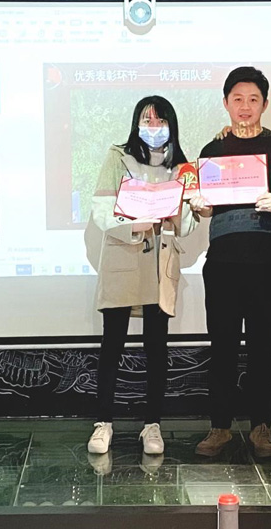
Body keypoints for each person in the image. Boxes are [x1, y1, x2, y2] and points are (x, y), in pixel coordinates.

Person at [190, 67, 271, 458]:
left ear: (264, 104)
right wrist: (199, 206)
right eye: (238, 99)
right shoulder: (211, 150)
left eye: (253, 99)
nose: (245, 106)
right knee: (222, 347)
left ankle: (261, 429)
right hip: (222, 264)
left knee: (263, 347)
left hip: (268, 263)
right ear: (226, 103)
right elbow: (205, 209)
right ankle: (219, 427)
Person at [84, 95, 196, 457]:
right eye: (147, 121)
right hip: (123, 257)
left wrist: (177, 215)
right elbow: (101, 208)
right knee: (112, 344)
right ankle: (103, 422)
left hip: (159, 265)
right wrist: (134, 223)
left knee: (156, 348)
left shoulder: (183, 167)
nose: (153, 127)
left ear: (171, 125)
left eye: (160, 121)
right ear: (136, 124)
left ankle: (152, 424)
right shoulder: (118, 157)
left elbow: (188, 225)